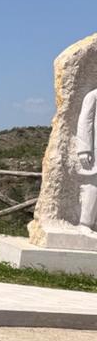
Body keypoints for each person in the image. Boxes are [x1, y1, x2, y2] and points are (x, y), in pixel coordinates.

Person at [79, 87, 97, 233]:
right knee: (93, 184)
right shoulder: (93, 95)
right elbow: (85, 121)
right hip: (95, 150)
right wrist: (84, 149)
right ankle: (86, 223)